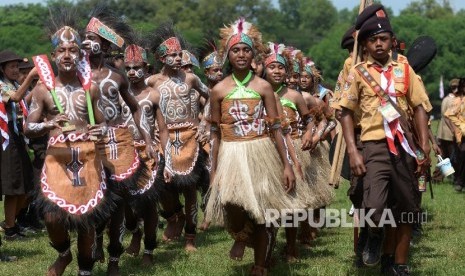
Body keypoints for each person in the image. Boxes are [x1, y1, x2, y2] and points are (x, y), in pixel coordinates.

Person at [339, 5, 431, 275]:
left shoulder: (404, 68)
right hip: (374, 145)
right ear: (365, 44)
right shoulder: (357, 72)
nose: (379, 44)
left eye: (384, 39)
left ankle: (398, 265)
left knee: (405, 208)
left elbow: (420, 106)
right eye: (373, 40)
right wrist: (354, 152)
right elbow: (344, 112)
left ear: (392, 41)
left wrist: (423, 145)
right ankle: (374, 234)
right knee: (374, 204)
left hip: (405, 147)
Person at [205, 18, 296, 275]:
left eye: (246, 50)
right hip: (232, 154)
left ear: (253, 53)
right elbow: (215, 134)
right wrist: (213, 171)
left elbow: (276, 128)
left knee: (264, 211)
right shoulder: (218, 90)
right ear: (227, 55)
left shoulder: (264, 87)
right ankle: (242, 235)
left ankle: (260, 265)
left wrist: (287, 164)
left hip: (261, 151)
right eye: (236, 50)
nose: (242, 54)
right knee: (234, 205)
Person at [24, 10, 112, 275]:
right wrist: (47, 125)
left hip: (87, 158)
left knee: (86, 221)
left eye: (73, 50)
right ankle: (64, 254)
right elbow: (28, 127)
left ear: (80, 55)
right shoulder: (42, 90)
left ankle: (85, 270)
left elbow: (104, 123)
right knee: (52, 216)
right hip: (56, 159)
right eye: (61, 50)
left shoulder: (91, 89)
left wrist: (101, 130)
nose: (67, 55)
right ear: (53, 56)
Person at [82, 6, 155, 274]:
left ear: (105, 45)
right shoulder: (76, 77)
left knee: (118, 204)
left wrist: (146, 139)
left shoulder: (116, 76)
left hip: (118, 144)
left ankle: (114, 258)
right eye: (86, 39)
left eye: (95, 40)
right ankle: (94, 244)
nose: (89, 44)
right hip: (87, 143)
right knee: (93, 201)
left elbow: (135, 108)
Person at [146, 22, 210, 251]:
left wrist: (205, 121)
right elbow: (140, 101)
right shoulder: (152, 82)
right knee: (163, 185)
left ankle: (190, 237)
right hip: (163, 139)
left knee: (190, 189)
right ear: (162, 59)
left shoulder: (190, 79)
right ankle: (175, 217)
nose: (177, 58)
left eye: (179, 54)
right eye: (172, 55)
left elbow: (212, 96)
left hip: (190, 137)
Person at [263, 42, 317, 262]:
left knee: (292, 201)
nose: (277, 71)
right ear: (264, 69)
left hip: (292, 147)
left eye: (281, 67)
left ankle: (292, 245)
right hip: (266, 150)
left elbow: (310, 119)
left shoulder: (295, 96)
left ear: (287, 71)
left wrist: (308, 134)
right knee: (269, 200)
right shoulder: (259, 92)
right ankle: (267, 243)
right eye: (272, 67)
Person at [121, 42, 169, 266]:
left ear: (146, 67)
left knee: (149, 204)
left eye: (136, 67)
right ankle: (135, 232)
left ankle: (149, 250)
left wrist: (164, 154)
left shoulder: (153, 95)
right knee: (124, 203)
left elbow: (163, 128)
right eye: (128, 67)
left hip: (149, 153)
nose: (132, 72)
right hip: (124, 152)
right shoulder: (119, 94)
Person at [0, 50, 37, 240]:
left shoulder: (13, 84)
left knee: (27, 185)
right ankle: (10, 228)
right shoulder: (1, 86)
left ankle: (10, 223)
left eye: (17, 66)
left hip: (18, 136)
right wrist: (30, 77)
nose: (16, 70)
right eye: (12, 67)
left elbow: (22, 100)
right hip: (7, 140)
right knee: (13, 188)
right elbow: (14, 98)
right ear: (2, 69)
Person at [435, 78, 459, 182]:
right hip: (451, 133)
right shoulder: (454, 100)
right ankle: (457, 179)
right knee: (454, 157)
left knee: (443, 157)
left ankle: (437, 177)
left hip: (442, 132)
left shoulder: (445, 99)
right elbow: (449, 117)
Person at [445, 78, 465, 192]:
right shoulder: (457, 101)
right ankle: (458, 181)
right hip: (460, 135)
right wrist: (455, 129)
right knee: (457, 158)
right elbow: (447, 116)